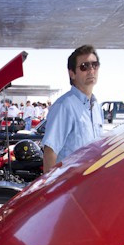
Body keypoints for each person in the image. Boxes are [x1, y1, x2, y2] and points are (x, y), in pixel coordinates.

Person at [42, 44, 103, 172]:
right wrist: (52, 184)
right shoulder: (64, 106)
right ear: (72, 73)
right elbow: (50, 153)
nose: (91, 70)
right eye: (84, 66)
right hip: (70, 182)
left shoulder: (97, 108)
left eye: (95, 65)